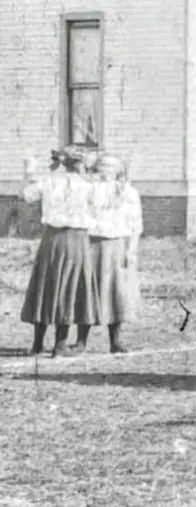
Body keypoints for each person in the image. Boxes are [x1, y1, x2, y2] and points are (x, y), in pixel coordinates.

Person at [20, 146, 100, 357]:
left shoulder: (48, 181)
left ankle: (37, 344)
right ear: (81, 165)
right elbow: (100, 211)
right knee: (71, 288)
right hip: (77, 239)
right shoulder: (89, 186)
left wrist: (29, 171)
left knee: (46, 286)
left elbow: (27, 195)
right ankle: (59, 345)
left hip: (52, 239)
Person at [73, 153, 143, 354]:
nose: (106, 170)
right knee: (87, 290)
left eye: (111, 166)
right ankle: (80, 341)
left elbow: (136, 225)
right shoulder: (87, 190)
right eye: (102, 166)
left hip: (117, 244)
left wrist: (132, 250)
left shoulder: (129, 193)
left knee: (116, 292)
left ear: (118, 170)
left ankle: (115, 341)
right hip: (91, 243)